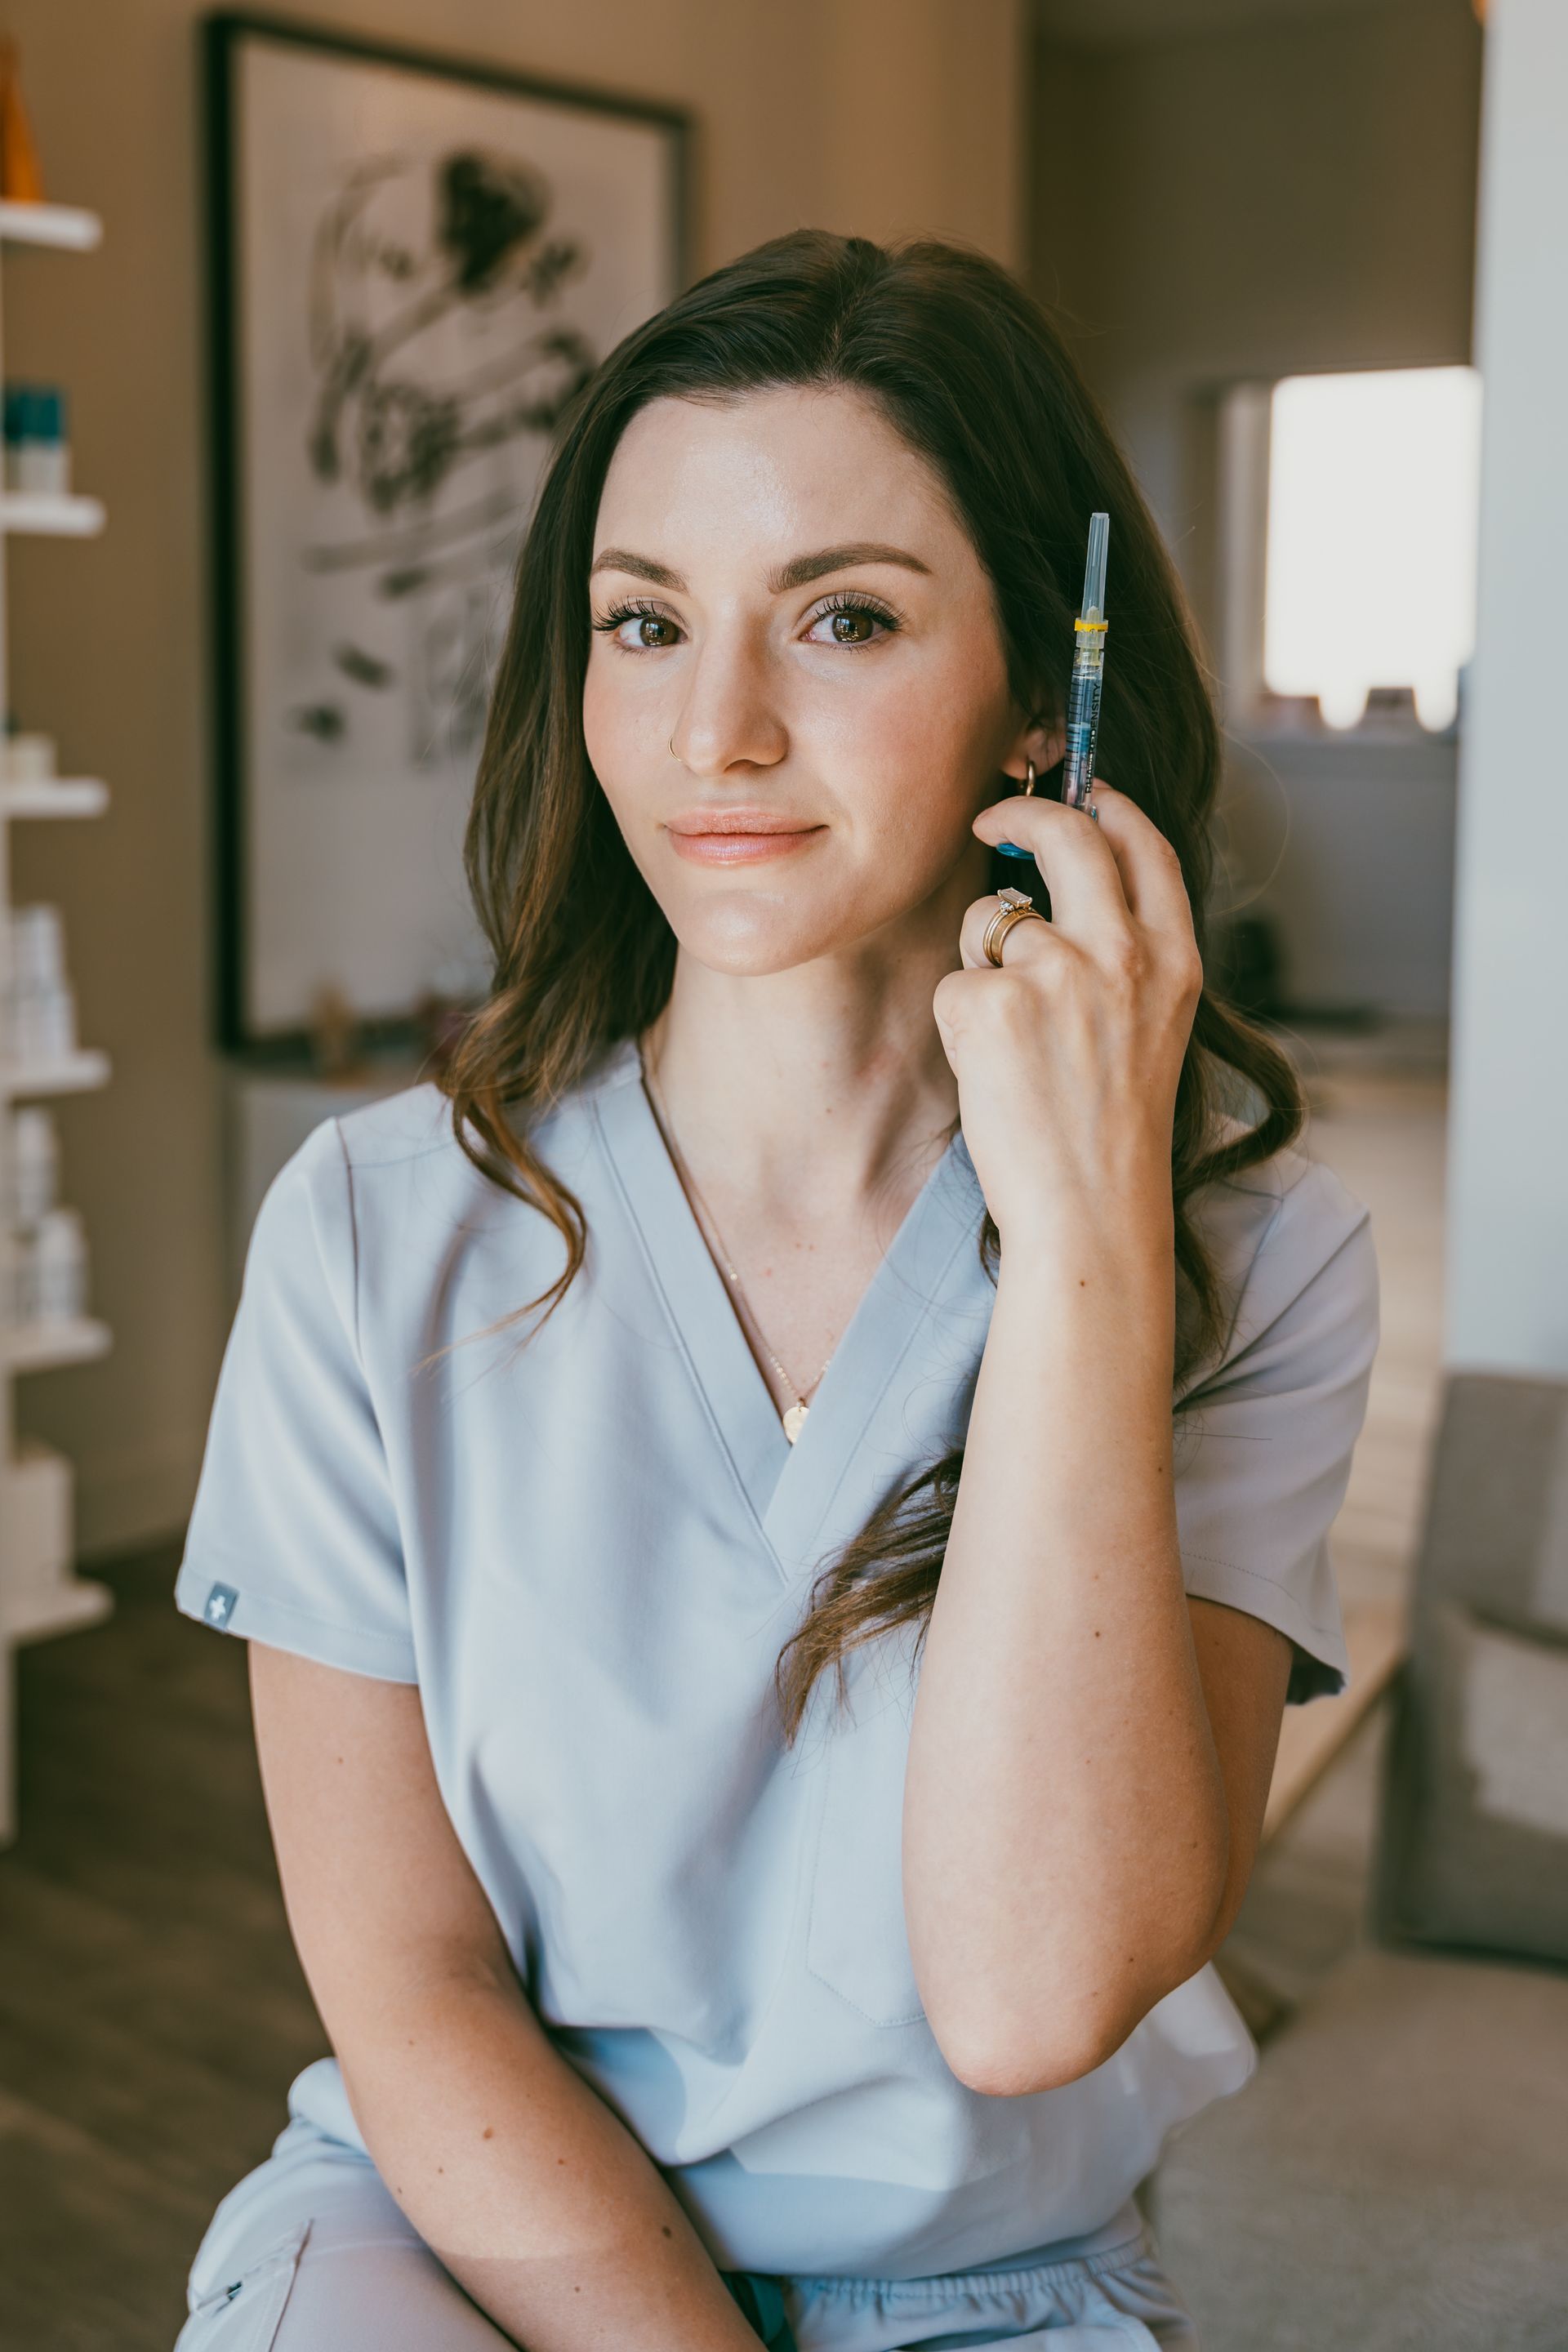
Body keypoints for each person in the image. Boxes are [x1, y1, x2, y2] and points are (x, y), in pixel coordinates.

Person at [171, 231, 1377, 2351]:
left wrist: (1086, 1233)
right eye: (644, 623)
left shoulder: (1252, 1268)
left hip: (996, 2289)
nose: (714, 730)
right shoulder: (371, 1231)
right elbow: (414, 2001)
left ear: (1042, 693)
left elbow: (1034, 1992)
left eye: (839, 618)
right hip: (459, 2233)